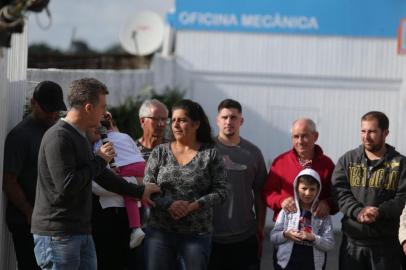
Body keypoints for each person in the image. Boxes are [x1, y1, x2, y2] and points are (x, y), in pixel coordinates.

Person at [31, 78, 160, 270]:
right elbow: (67, 186)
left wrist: (139, 191)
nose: (104, 114)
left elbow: (101, 176)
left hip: (80, 231)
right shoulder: (59, 137)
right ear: (89, 108)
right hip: (58, 234)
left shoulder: (79, 136)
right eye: (102, 107)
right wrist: (100, 160)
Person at [143, 99, 229, 270]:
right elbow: (148, 186)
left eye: (182, 120)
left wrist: (194, 206)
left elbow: (222, 191)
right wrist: (170, 205)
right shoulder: (160, 152)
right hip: (160, 232)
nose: (175, 125)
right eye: (173, 120)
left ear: (196, 124)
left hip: (196, 235)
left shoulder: (210, 154)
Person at [2, 80, 67, 270]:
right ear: (33, 103)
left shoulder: (56, 131)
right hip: (26, 221)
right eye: (48, 110)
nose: (54, 114)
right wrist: (28, 210)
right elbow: (9, 181)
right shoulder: (20, 136)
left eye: (56, 110)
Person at [332, 111, 406, 270]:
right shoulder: (347, 160)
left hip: (386, 247)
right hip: (352, 244)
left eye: (372, 131)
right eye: (363, 131)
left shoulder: (400, 164)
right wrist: (358, 211)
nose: (366, 136)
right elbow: (339, 192)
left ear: (385, 133)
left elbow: (402, 199)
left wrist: (379, 211)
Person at [208, 99, 267, 270]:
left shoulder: (253, 153)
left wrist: (260, 227)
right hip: (211, 236)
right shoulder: (205, 150)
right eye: (224, 117)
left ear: (241, 121)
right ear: (217, 120)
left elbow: (260, 193)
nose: (229, 121)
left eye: (233, 117)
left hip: (245, 236)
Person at [263, 118, 336, 221]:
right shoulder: (280, 162)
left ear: (315, 136)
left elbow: (338, 195)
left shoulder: (327, 164)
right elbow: (267, 192)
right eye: (296, 137)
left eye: (304, 136)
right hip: (285, 229)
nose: (300, 141)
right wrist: (281, 201)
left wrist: (328, 204)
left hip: (316, 230)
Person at [271, 168, 334, 270]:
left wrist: (313, 238)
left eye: (312, 189)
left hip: (313, 266)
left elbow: (329, 244)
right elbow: (273, 237)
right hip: (286, 265)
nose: (308, 193)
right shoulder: (287, 210)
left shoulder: (323, 214)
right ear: (296, 188)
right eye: (304, 188)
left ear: (318, 190)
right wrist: (286, 234)